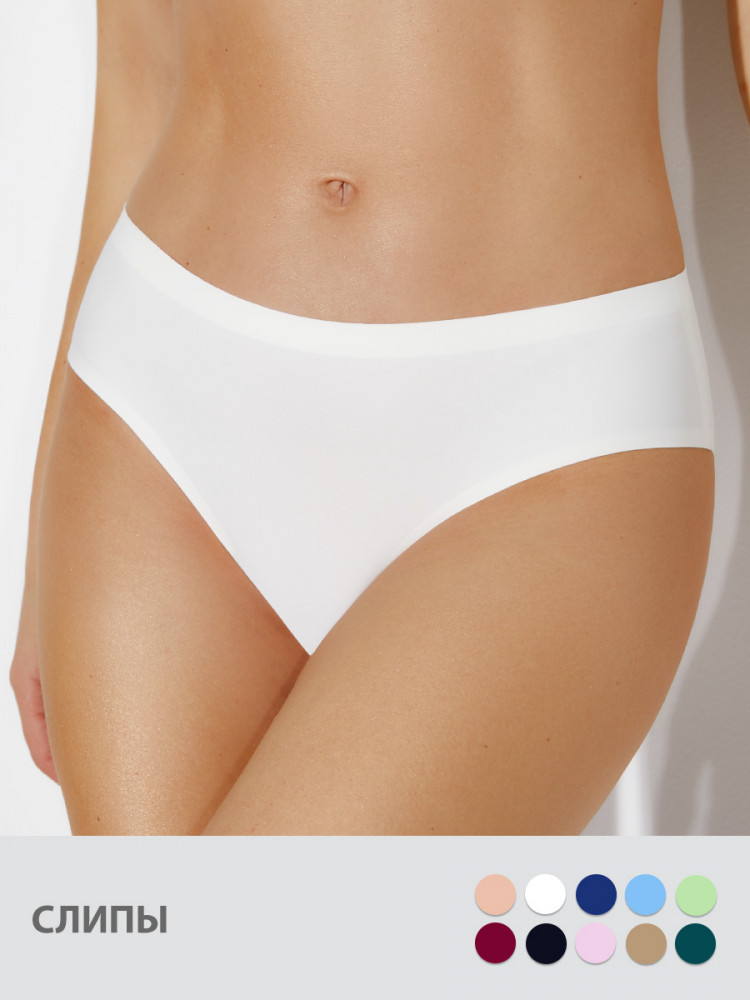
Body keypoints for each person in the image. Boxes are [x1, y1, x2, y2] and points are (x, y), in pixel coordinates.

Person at [8, 1, 748, 836]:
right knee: (157, 927)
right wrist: (41, 542)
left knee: (246, 926)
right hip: (156, 414)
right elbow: (138, 66)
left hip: (547, 429)